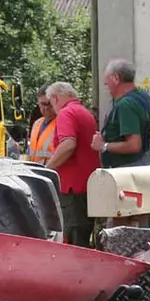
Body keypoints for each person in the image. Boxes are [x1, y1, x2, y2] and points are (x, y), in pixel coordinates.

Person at [90, 58, 150, 229]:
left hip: (127, 174)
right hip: (142, 168)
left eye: (107, 82)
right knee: (139, 224)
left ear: (116, 78)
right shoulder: (142, 97)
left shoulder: (125, 105)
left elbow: (134, 144)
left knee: (119, 229)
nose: (107, 86)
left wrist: (103, 146)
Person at [43, 81, 99, 246]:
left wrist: (47, 169)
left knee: (74, 239)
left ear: (55, 98)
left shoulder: (66, 113)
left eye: (51, 103)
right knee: (83, 234)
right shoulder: (84, 112)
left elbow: (68, 144)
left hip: (72, 187)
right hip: (88, 185)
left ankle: (79, 271)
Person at [25, 88, 56, 166]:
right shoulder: (37, 123)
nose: (46, 108)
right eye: (43, 104)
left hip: (50, 172)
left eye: (49, 104)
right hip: (34, 171)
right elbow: (30, 152)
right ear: (38, 103)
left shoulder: (61, 123)